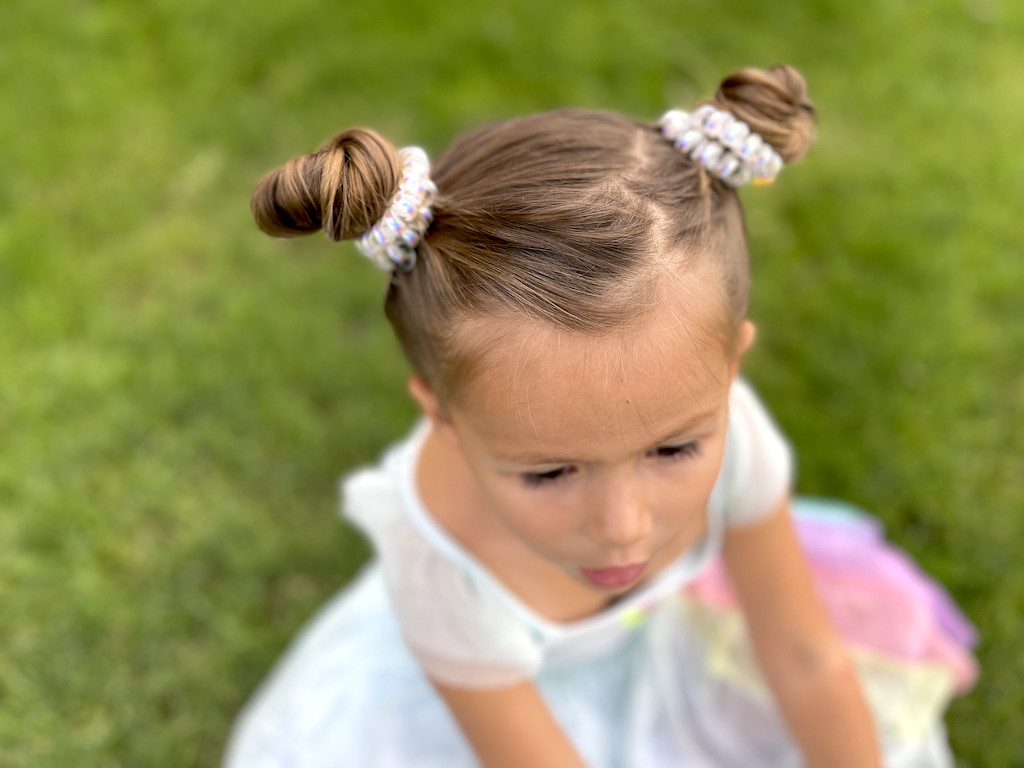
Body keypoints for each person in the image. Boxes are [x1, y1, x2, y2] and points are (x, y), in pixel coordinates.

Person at [223, 65, 977, 768]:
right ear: (442, 417)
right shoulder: (445, 578)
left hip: (669, 640)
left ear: (730, 371)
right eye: (549, 471)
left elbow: (805, 658)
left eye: (675, 450)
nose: (624, 527)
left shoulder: (737, 437)